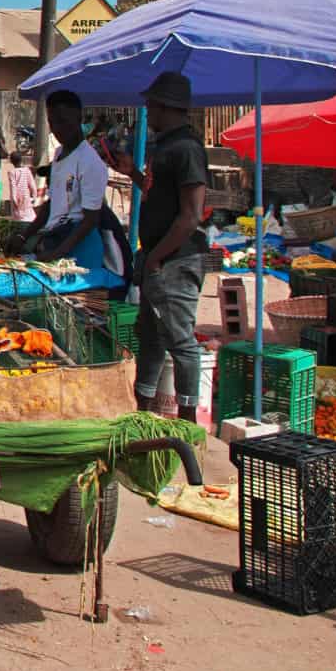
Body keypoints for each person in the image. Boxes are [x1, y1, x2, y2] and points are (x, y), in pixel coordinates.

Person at [110, 73, 209, 423]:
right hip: (158, 258)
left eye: (152, 105)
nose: (148, 112)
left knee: (181, 341)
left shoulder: (187, 149)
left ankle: (187, 423)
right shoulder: (165, 146)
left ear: (169, 106)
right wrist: (132, 174)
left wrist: (156, 257)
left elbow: (190, 215)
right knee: (151, 338)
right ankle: (143, 412)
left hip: (175, 262)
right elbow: (159, 195)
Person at [18, 90, 125, 287]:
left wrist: (56, 254)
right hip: (56, 239)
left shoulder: (90, 162)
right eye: (52, 122)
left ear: (79, 118)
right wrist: (24, 235)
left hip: (79, 249)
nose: (58, 129)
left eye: (63, 121)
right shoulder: (59, 154)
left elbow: (90, 219)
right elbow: (53, 203)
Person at [4, 149, 40, 223]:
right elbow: (32, 186)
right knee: (29, 217)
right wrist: (34, 198)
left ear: (11, 161)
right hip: (26, 197)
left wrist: (14, 200)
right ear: (21, 159)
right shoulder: (27, 171)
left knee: (18, 218)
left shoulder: (12, 173)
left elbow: (13, 187)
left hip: (17, 199)